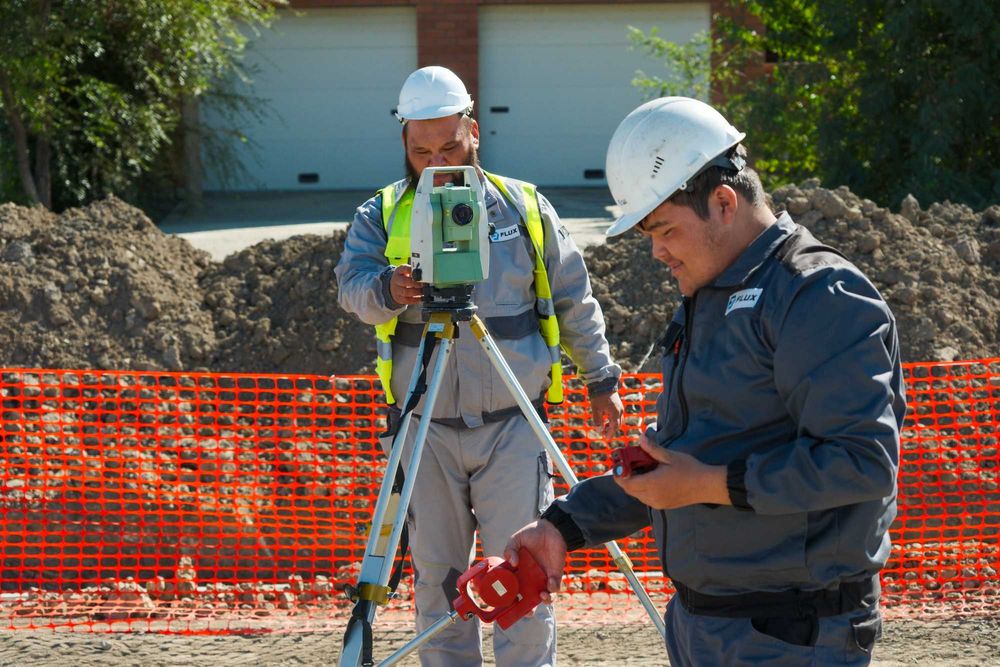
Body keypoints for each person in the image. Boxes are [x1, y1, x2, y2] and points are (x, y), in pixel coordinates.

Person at [505, 96, 907, 666]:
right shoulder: (706, 298)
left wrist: (709, 484)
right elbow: (680, 466)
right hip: (703, 628)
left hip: (793, 636)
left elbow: (861, 463)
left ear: (723, 202)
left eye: (665, 229)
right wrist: (563, 526)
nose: (657, 251)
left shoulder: (817, 296)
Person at [334, 65, 623, 667]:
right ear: (405, 145)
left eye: (450, 144)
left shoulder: (523, 207)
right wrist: (391, 286)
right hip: (426, 429)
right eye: (421, 150)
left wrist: (601, 378)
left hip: (513, 426)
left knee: (525, 573)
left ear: (473, 129)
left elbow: (573, 297)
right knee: (437, 581)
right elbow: (352, 290)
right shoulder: (382, 213)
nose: (436, 159)